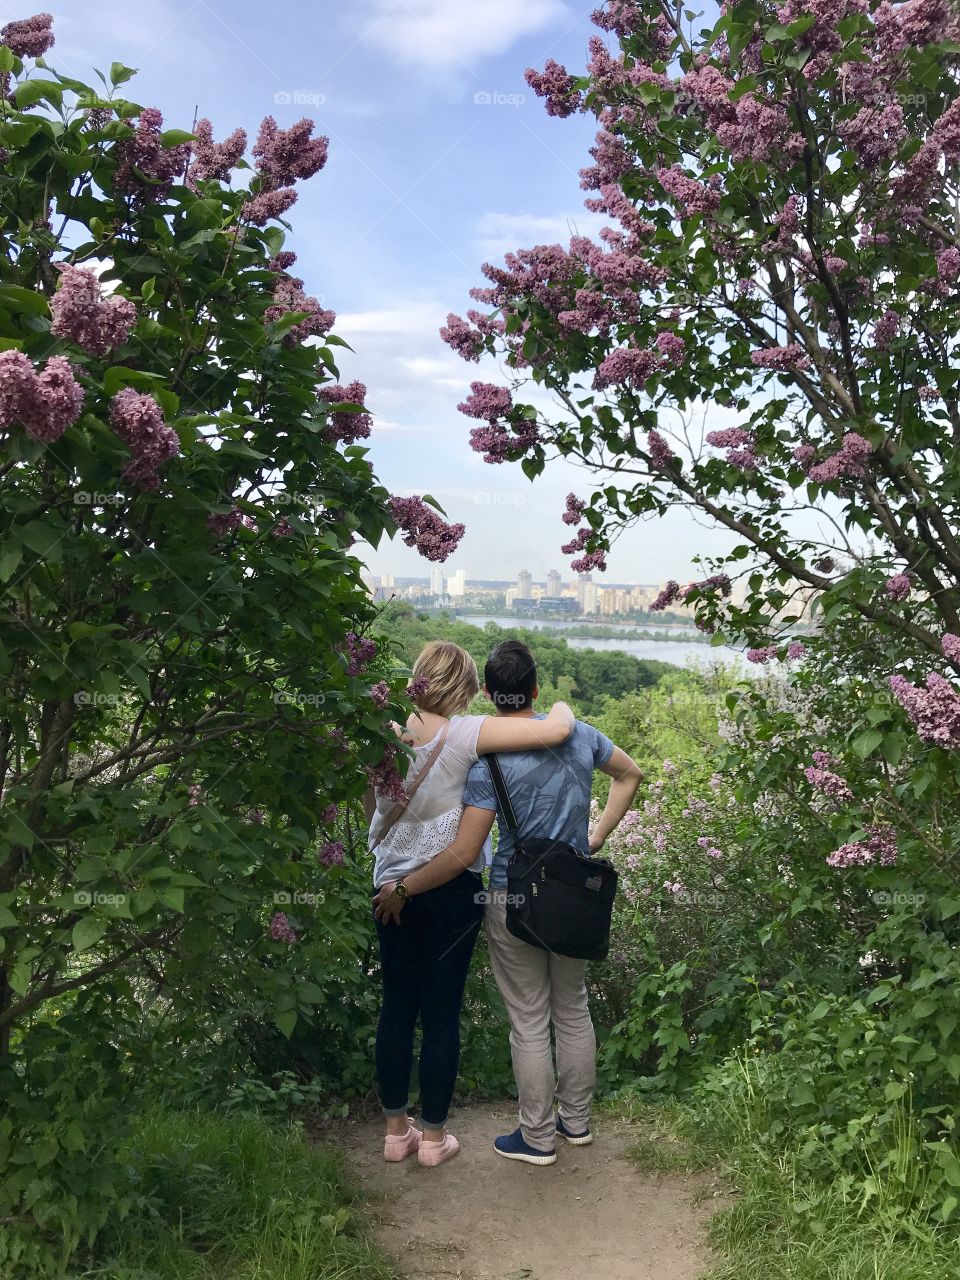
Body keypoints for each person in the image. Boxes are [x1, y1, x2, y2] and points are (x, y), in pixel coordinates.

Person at [376, 639, 643, 1166]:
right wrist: (597, 836)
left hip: (511, 894)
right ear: (536, 689)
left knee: (527, 1018)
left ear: (491, 698)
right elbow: (630, 774)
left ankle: (537, 1137)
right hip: (572, 894)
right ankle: (578, 1123)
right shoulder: (582, 736)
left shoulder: (488, 761)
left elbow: (467, 848)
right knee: (572, 1007)